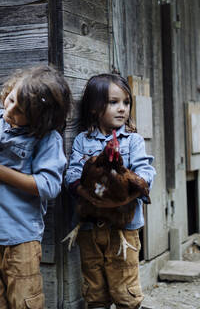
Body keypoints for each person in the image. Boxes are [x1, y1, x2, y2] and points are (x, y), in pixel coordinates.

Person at [0, 65, 70, 308]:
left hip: (20, 236)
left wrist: (1, 172)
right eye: (10, 99)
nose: (9, 110)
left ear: (41, 118)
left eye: (20, 110)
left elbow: (49, 185)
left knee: (25, 300)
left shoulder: (47, 139)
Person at [64, 73, 156, 309]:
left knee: (124, 284)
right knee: (94, 285)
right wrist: (84, 193)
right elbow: (72, 172)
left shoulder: (132, 140)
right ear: (95, 108)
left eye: (126, 102)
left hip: (124, 226)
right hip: (90, 226)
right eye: (114, 102)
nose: (122, 109)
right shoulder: (82, 141)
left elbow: (146, 171)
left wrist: (132, 188)